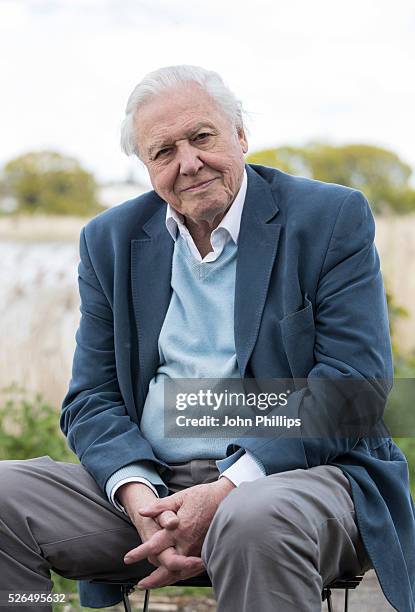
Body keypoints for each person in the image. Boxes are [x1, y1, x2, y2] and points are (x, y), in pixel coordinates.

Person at [1, 65, 414, 612]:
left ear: (239, 134)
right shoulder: (109, 241)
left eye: (201, 137)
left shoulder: (329, 218)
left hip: (298, 481)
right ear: (146, 168)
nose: (188, 163)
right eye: (163, 151)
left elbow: (352, 391)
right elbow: (90, 399)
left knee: (252, 517)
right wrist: (138, 495)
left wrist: (227, 489)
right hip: (152, 494)